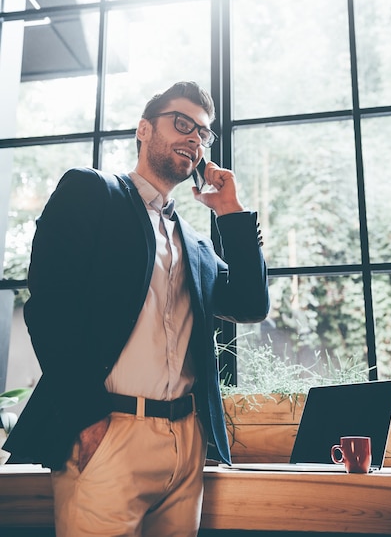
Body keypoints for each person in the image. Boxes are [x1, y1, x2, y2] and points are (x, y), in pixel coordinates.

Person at [5, 81, 269, 537]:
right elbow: (49, 307)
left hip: (186, 443)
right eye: (182, 123)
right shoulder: (92, 192)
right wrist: (89, 421)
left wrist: (230, 212)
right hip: (109, 432)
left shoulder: (197, 245)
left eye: (203, 134)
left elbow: (251, 304)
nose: (194, 138)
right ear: (144, 129)